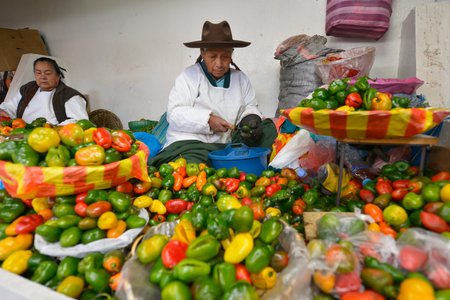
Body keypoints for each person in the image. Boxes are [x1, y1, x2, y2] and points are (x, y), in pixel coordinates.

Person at [148, 20, 277, 167]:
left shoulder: (240, 78)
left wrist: (251, 118)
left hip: (225, 145)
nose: (219, 64)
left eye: (225, 57)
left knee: (268, 129)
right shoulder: (189, 76)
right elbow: (175, 113)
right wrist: (207, 120)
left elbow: (250, 105)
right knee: (192, 165)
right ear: (202, 53)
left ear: (231, 54)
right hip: (192, 144)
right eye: (212, 56)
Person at [0, 57, 89, 125]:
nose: (42, 77)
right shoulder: (28, 88)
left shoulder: (69, 95)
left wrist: (54, 129)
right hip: (22, 133)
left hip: (53, 137)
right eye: (38, 73)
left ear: (58, 76)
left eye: (47, 73)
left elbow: (80, 121)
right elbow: (10, 107)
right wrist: (3, 111)